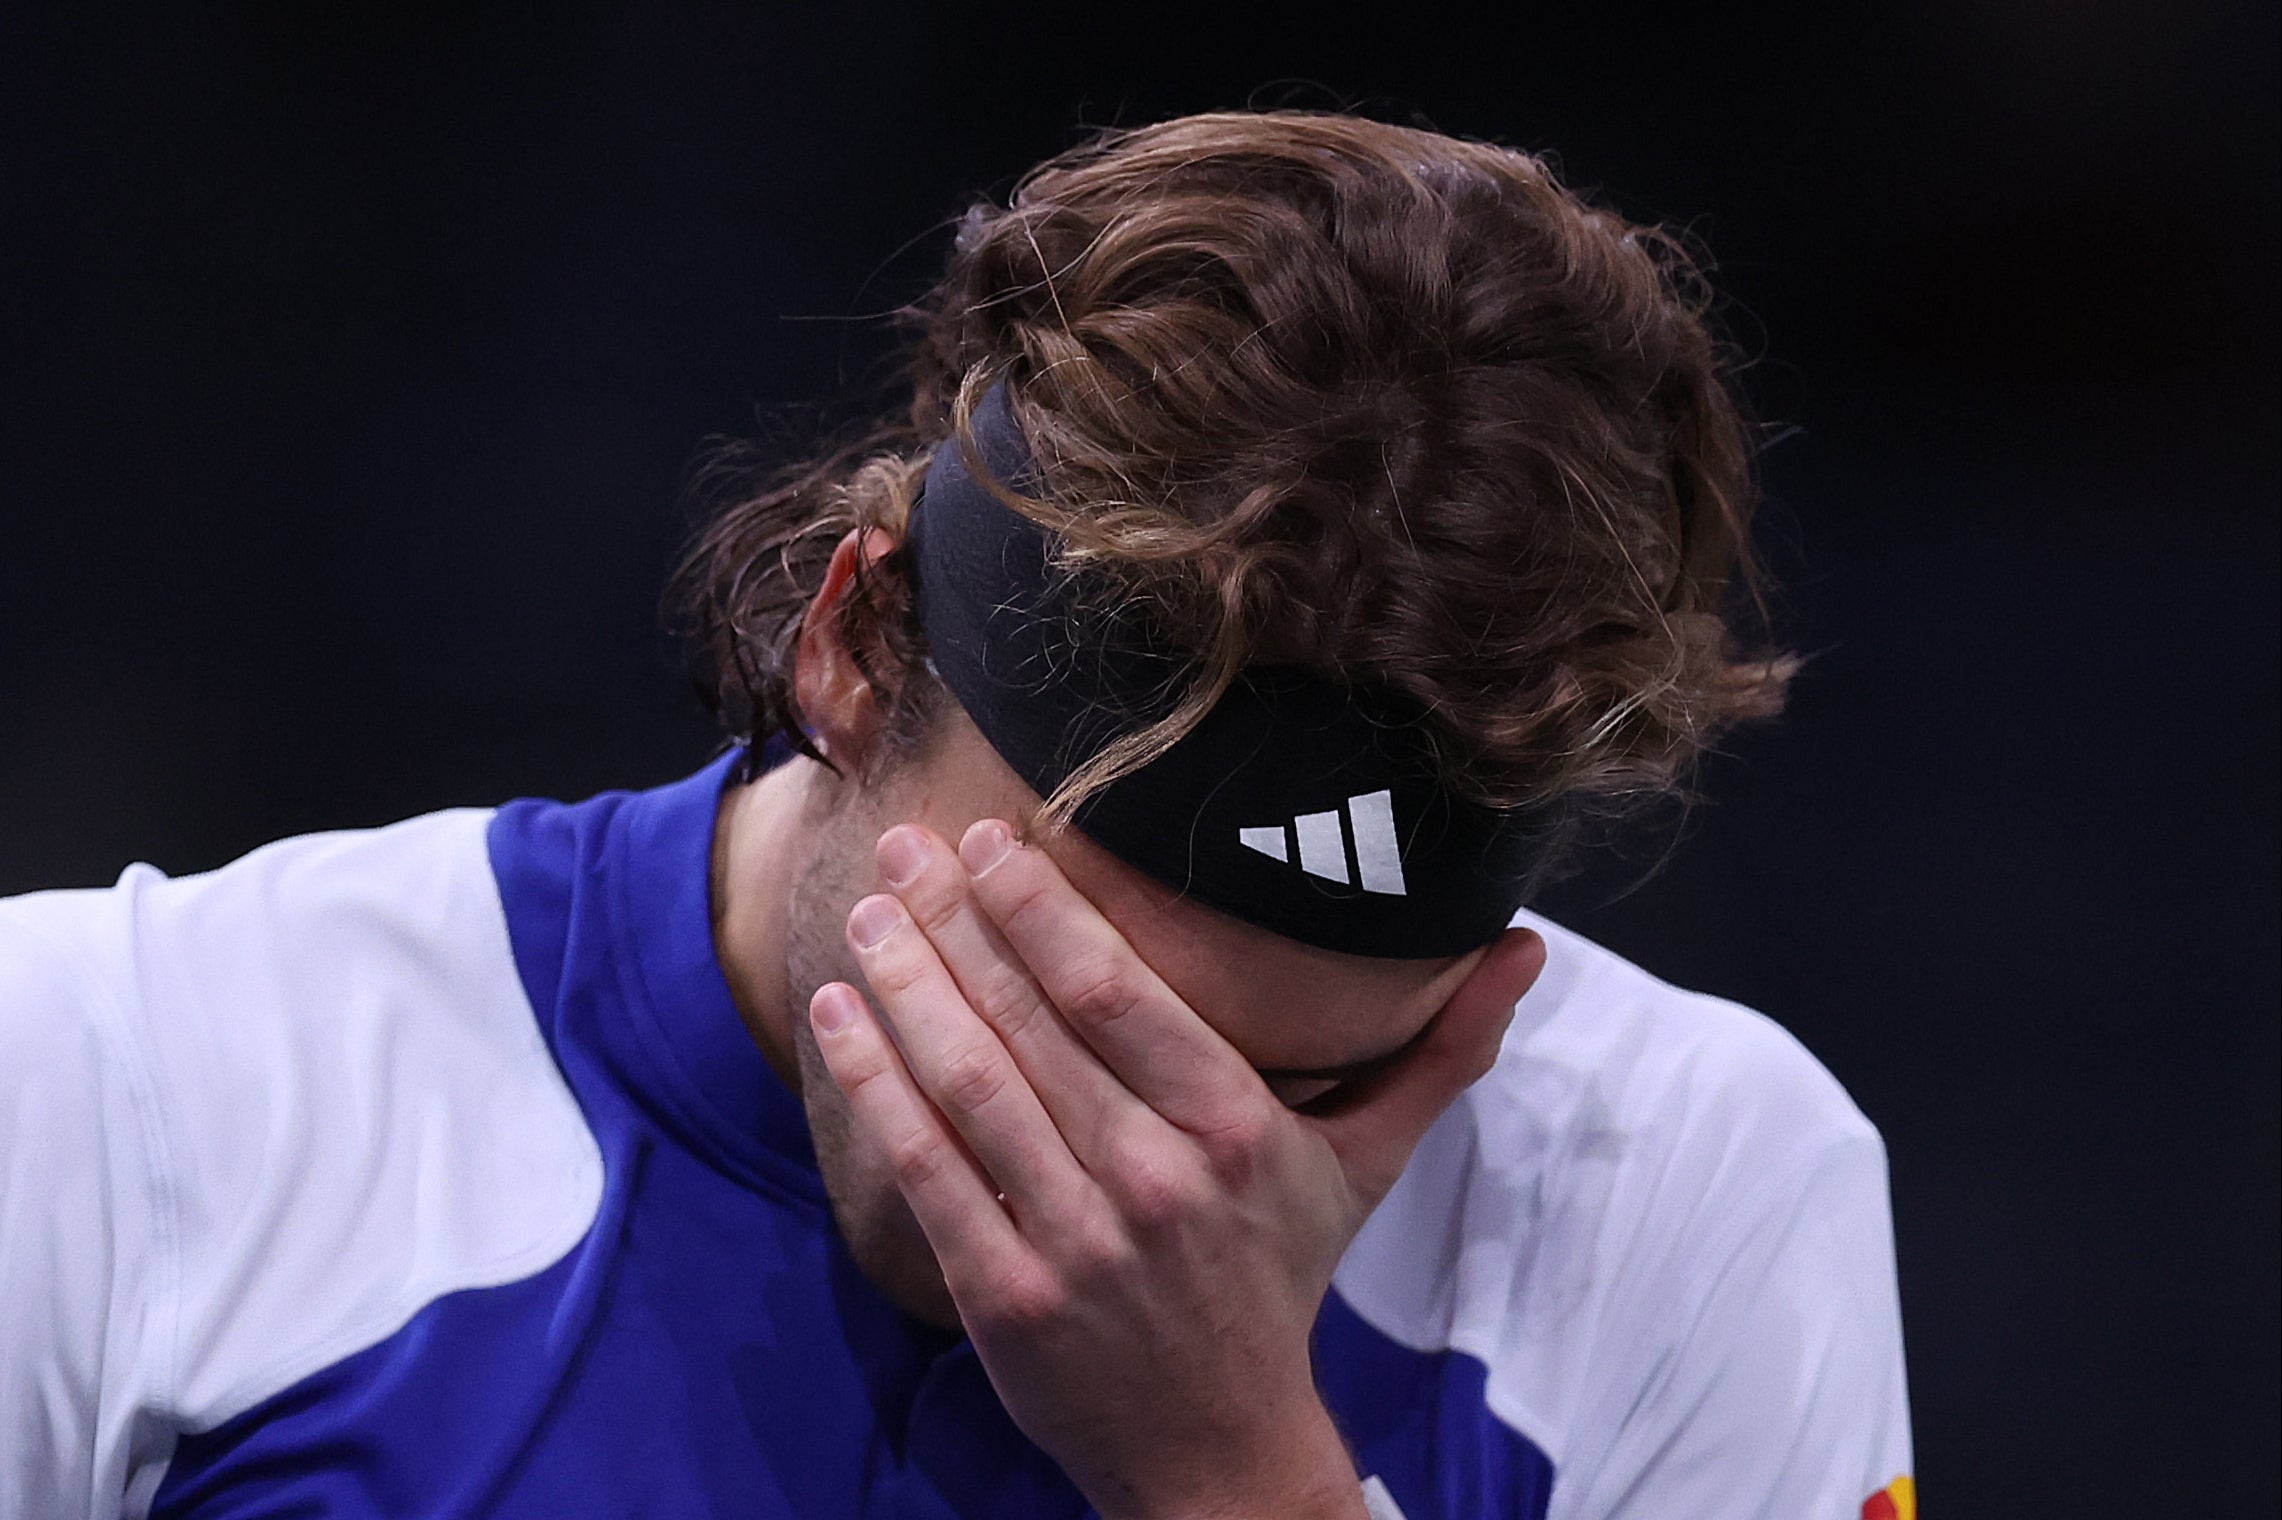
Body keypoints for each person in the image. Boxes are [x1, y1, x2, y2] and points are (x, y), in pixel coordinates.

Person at [0, 112, 1913, 1519]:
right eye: (1065, 1010)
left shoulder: (1690, 1205)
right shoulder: (115, 1079)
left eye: (1307, 1093)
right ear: (850, 647)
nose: (1160, 1182)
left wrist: (1238, 1476)